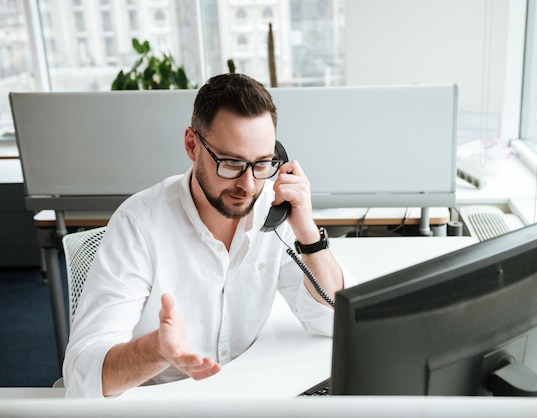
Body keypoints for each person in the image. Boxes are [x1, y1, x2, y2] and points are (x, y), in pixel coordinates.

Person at [62, 73, 354, 398]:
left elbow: (332, 325)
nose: (248, 185)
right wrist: (156, 350)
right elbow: (80, 375)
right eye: (231, 163)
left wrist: (308, 234)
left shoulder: (272, 207)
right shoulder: (138, 225)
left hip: (246, 394)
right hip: (165, 405)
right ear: (192, 145)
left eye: (261, 163)